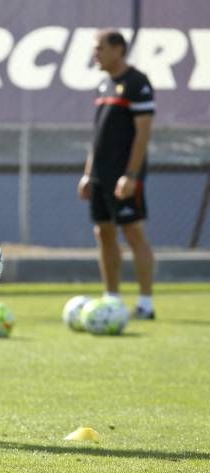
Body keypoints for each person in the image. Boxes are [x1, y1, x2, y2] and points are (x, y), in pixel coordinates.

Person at [78, 29, 156, 319]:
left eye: (99, 48)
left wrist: (131, 174)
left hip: (125, 176)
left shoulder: (137, 83)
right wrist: (88, 174)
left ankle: (146, 304)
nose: (95, 54)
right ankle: (112, 299)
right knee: (104, 233)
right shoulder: (103, 85)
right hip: (100, 176)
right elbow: (97, 136)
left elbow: (142, 134)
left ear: (118, 49)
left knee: (133, 232)